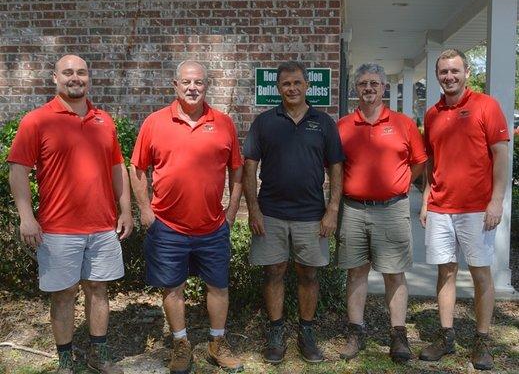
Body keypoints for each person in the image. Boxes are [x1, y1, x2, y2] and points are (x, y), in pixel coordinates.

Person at [8, 55, 133, 374]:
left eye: (81, 72)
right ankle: (65, 362)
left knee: (98, 290)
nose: (74, 78)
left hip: (103, 227)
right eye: (67, 73)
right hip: (58, 229)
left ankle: (99, 356)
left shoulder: (104, 119)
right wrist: (26, 216)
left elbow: (117, 167)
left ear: (88, 78)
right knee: (63, 295)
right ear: (55, 78)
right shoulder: (37, 120)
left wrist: (126, 210)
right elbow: (18, 169)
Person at [130, 60, 243, 374]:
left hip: (212, 226)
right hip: (167, 227)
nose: (193, 88)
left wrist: (231, 212)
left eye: (199, 83)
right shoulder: (154, 122)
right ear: (175, 85)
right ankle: (181, 346)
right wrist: (145, 211)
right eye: (186, 82)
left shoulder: (223, 123)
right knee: (173, 288)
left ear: (207, 86)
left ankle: (217, 344)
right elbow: (137, 168)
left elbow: (237, 169)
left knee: (218, 287)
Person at [242, 61, 344, 364]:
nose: (292, 88)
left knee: (308, 273)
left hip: (312, 214)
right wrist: (254, 210)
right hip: (271, 213)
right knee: (273, 271)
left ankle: (306, 332)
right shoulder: (264, 122)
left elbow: (336, 166)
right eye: (286, 84)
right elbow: (249, 168)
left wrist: (332, 209)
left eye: (297, 83)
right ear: (278, 88)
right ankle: (276, 333)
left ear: (307, 86)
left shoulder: (323, 123)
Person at [418, 49, 509, 371]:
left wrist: (497, 200)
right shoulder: (432, 114)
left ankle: (482, 340)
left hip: (476, 207)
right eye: (443, 72)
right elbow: (431, 160)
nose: (449, 77)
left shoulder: (487, 106)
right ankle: (446, 335)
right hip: (442, 207)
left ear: (466, 72)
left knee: (480, 274)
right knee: (445, 271)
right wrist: (428, 197)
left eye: (454, 71)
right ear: (437, 75)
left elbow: (501, 155)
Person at [336, 63, 427, 363]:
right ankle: (355, 332)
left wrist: (400, 184)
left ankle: (398, 335)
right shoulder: (344, 125)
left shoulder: (403, 123)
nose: (369, 88)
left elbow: (418, 162)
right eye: (363, 83)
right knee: (356, 272)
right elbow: (334, 167)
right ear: (355, 88)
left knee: (394, 273)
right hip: (353, 209)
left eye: (375, 83)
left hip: (391, 209)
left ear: (384, 87)